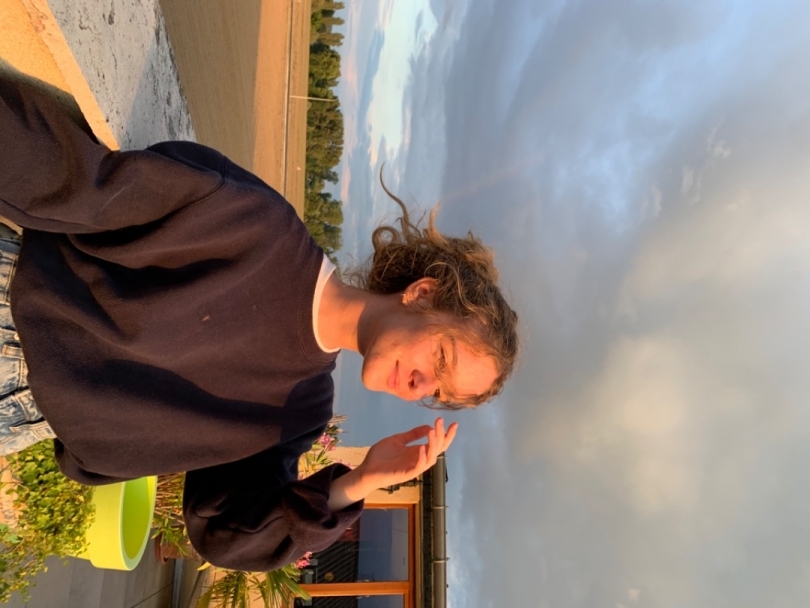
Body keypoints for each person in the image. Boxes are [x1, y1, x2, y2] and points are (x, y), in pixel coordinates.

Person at [0, 73, 518, 571]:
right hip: (18, 312)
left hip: (21, 422)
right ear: (422, 294)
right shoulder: (258, 229)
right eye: (441, 359)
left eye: (437, 393)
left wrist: (357, 482)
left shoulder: (301, 412)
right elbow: (81, 183)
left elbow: (222, 531)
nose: (420, 385)